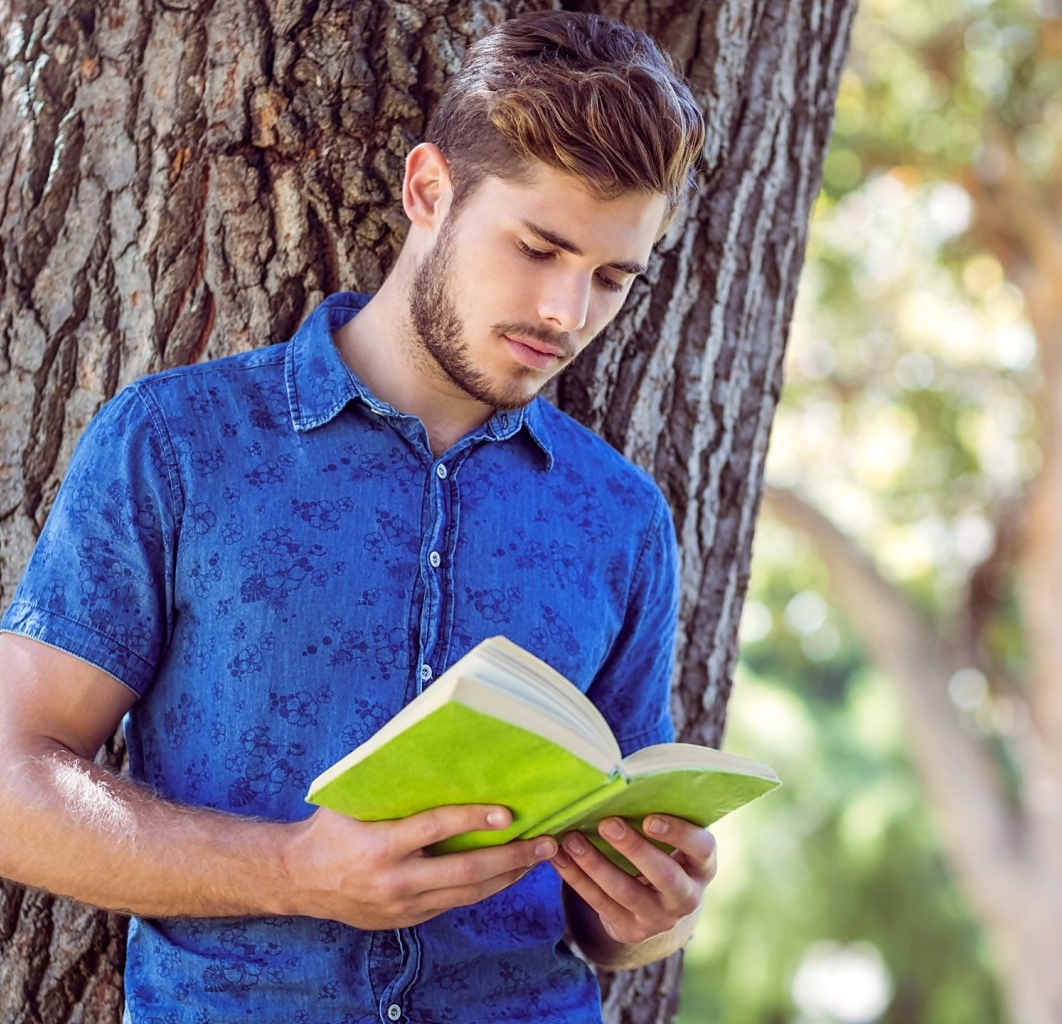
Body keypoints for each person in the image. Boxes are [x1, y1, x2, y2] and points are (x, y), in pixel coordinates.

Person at [0, 11, 712, 1022]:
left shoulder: (622, 519)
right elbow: (12, 784)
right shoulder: (178, 442)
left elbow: (607, 921)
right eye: (538, 247)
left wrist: (650, 910)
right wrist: (292, 869)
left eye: (608, 277)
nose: (565, 312)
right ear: (430, 191)